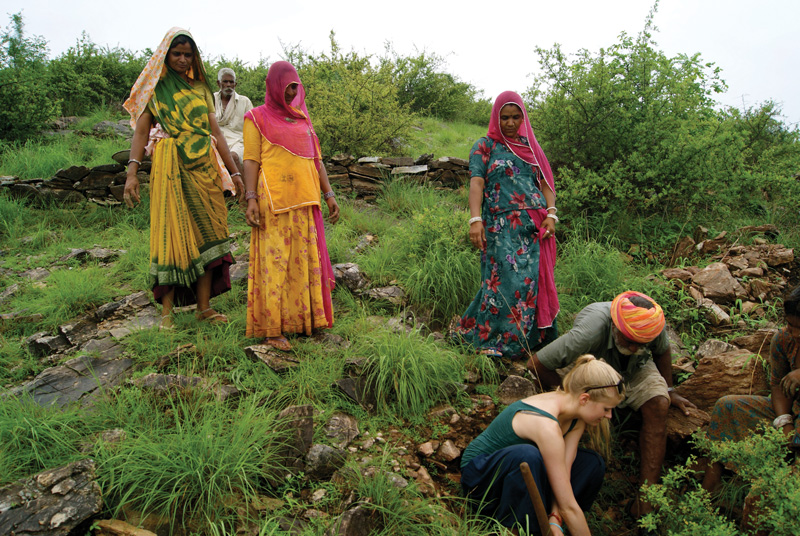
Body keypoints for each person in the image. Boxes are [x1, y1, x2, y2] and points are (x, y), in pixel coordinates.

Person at [527, 291, 696, 516]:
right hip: (594, 362)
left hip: (635, 368)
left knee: (659, 404)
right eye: (630, 341)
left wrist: (669, 390)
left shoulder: (650, 326)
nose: (635, 347)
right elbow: (537, 363)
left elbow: (662, 351)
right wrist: (571, 398)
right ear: (615, 328)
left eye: (641, 343)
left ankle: (645, 500)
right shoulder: (591, 331)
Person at [123, 28, 245, 329]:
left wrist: (234, 172)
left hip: (204, 166)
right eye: (176, 53)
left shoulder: (202, 88)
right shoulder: (156, 88)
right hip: (170, 165)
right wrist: (132, 173)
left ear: (195, 57)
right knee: (172, 235)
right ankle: (166, 317)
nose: (181, 59)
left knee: (209, 231)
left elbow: (216, 133)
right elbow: (141, 131)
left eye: (187, 54)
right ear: (166, 55)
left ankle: (204, 308)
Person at [461, 355, 623, 535]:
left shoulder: (576, 419)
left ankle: (547, 523)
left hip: (523, 475)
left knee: (591, 464)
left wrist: (555, 517)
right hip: (481, 478)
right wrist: (565, 510)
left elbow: (564, 476)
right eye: (606, 409)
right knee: (527, 456)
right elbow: (568, 505)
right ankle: (512, 528)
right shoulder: (547, 426)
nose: (608, 416)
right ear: (584, 399)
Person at [242, 61, 339, 351]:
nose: (291, 91)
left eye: (295, 86)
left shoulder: (303, 121)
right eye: (286, 86)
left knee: (303, 263)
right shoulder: (256, 117)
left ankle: (304, 322)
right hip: (274, 202)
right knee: (276, 264)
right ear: (274, 86)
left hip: (306, 201)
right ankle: (273, 329)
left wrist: (330, 194)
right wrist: (250, 198)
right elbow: (251, 160)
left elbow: (316, 161)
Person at [456, 90, 559, 359]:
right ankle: (495, 340)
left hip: (534, 226)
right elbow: (476, 182)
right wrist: (475, 219)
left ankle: (530, 340)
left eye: (516, 117)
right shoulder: (485, 146)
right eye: (505, 118)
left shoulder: (531, 147)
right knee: (501, 281)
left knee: (530, 284)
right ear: (495, 117)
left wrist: (551, 213)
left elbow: (546, 184)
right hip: (499, 227)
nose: (511, 123)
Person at [702, 285, 800, 491]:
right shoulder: (784, 339)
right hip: (792, 413)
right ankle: (711, 488)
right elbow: (777, 385)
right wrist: (784, 423)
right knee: (727, 407)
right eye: (790, 325)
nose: (794, 332)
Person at [214, 67, 253, 171]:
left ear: (235, 84)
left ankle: (243, 187)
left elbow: (252, 128)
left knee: (233, 157)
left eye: (231, 82)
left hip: (238, 142)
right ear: (218, 83)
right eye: (225, 82)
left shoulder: (245, 102)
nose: (228, 85)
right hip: (215, 141)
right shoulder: (211, 99)